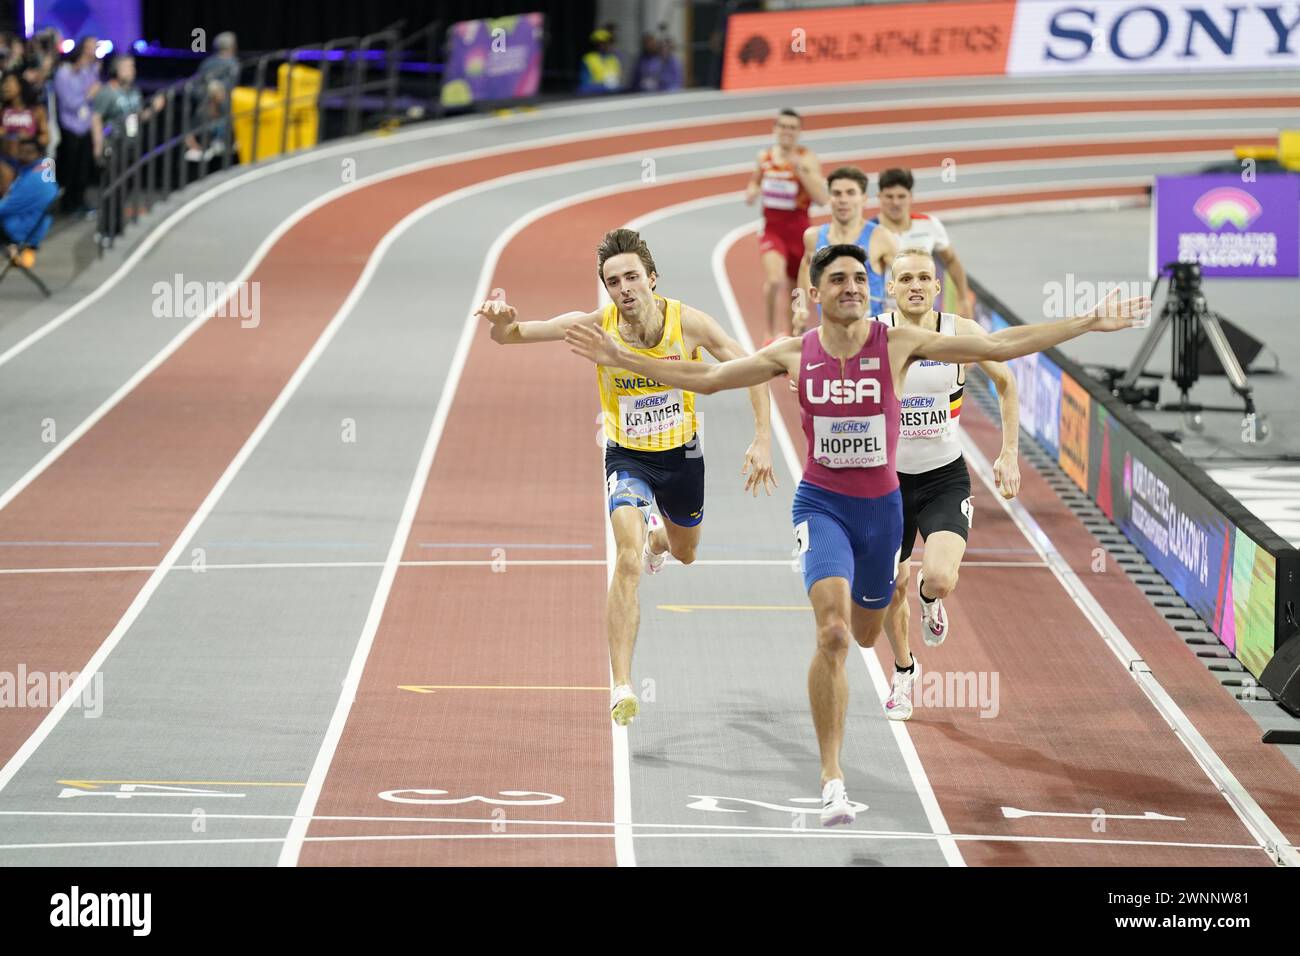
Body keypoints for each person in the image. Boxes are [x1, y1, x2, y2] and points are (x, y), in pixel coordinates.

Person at [565, 244, 1149, 825]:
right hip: (821, 506)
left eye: (859, 280)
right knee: (835, 634)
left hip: (883, 511)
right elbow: (712, 376)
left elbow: (998, 348)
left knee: (867, 632)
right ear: (815, 295)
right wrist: (628, 359)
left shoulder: (897, 344)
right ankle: (832, 780)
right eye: (838, 279)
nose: (851, 287)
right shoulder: (793, 354)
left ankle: (895, 617)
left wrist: (1088, 322)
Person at [477, 228, 777, 726]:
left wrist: (763, 436)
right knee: (628, 561)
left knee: (684, 551)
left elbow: (755, 368)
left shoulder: (691, 324)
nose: (624, 289)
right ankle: (621, 686)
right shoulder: (597, 326)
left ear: (652, 278)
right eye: (613, 282)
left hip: (682, 458)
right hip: (627, 459)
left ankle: (662, 542)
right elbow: (512, 337)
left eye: (632, 277)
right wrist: (502, 322)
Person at [875, 254, 1021, 721]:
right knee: (885, 586)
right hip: (885, 483)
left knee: (937, 577)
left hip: (943, 476)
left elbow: (1007, 382)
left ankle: (930, 598)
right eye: (906, 279)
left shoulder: (962, 334)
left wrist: (1009, 452)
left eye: (923, 278)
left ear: (937, 288)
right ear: (891, 289)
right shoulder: (874, 335)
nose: (915, 285)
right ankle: (903, 671)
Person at [744, 109, 828, 343]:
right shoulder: (765, 157)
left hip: (799, 232)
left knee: (796, 291)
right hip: (773, 231)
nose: (787, 131)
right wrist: (752, 193)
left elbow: (821, 198)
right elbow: (754, 184)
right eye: (783, 126)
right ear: (775, 129)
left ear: (799, 132)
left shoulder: (807, 158)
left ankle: (792, 336)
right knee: (773, 279)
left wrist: (800, 171)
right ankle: (769, 333)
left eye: (792, 127)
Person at [792, 166, 896, 335]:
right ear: (829, 198)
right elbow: (805, 268)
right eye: (837, 193)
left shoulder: (881, 237)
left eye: (850, 193)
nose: (843, 199)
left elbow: (904, 276)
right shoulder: (814, 237)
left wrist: (894, 309)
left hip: (871, 336)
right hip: (831, 336)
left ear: (863, 198)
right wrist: (799, 307)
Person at [872, 168, 971, 315]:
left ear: (910, 196)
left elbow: (951, 260)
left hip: (925, 310)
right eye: (889, 196)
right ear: (879, 197)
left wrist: (963, 299)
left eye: (901, 196)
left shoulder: (929, 224)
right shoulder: (870, 231)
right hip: (886, 313)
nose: (896, 202)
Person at [52, 36, 100, 215]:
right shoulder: (64, 73)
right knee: (71, 168)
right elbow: (70, 103)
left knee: (83, 168)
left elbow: (95, 90)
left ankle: (80, 201)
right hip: (70, 127)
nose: (91, 54)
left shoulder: (87, 71)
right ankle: (68, 204)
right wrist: (89, 95)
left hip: (84, 126)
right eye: (88, 50)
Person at [0, 137, 58, 264]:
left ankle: (15, 250)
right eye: (21, 152)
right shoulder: (44, 171)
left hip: (23, 232)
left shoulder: (33, 180)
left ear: (38, 154)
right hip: (35, 226)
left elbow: (4, 208)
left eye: (28, 152)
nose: (22, 156)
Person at [1, 71, 50, 196]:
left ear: (20, 85)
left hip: (30, 160)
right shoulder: (2, 111)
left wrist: (31, 138)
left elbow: (46, 137)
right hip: (6, 160)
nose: (5, 87)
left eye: (9, 83)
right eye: (3, 84)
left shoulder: (37, 111)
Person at [579, 29, 623, 94]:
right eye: (604, 43)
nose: (608, 45)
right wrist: (603, 87)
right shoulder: (588, 59)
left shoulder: (614, 59)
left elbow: (618, 81)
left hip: (613, 95)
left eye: (609, 42)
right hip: (596, 97)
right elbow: (584, 86)